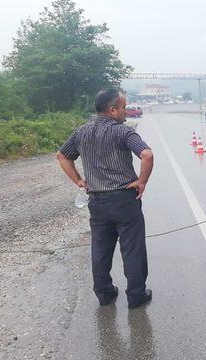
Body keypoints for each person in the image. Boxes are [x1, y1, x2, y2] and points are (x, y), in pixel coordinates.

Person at [57, 89, 154, 309]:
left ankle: (104, 292)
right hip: (124, 200)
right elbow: (147, 154)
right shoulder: (123, 132)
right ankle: (136, 294)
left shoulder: (81, 132)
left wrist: (79, 181)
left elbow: (62, 156)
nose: (126, 111)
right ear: (112, 110)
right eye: (123, 107)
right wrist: (142, 181)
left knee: (100, 247)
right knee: (132, 247)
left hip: (97, 201)